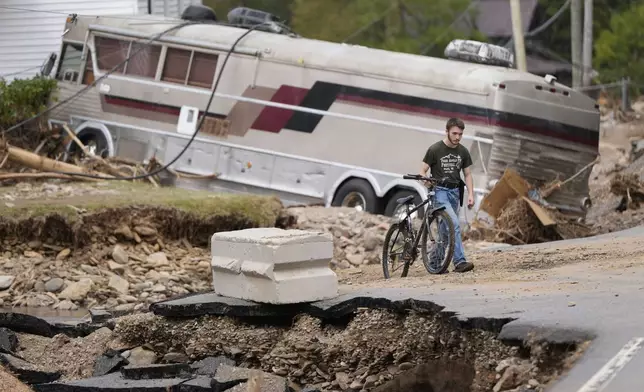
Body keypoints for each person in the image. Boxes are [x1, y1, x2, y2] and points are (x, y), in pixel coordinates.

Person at [419, 117, 475, 273]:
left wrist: (470, 194)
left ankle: (436, 264)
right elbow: (422, 170)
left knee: (445, 231)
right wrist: (426, 181)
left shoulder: (463, 151)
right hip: (440, 192)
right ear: (447, 131)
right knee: (454, 223)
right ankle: (460, 262)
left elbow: (468, 174)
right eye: (455, 133)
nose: (457, 137)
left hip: (455, 193)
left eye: (460, 134)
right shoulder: (435, 149)